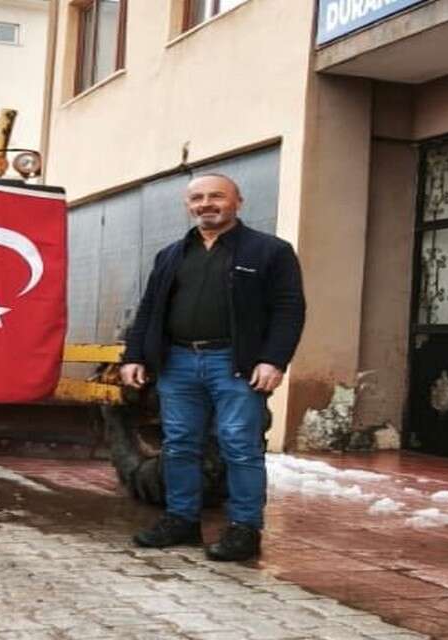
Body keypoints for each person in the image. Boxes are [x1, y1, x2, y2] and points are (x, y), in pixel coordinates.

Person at [120, 173, 305, 562]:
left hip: (236, 365)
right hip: (179, 363)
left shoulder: (270, 251)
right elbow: (150, 309)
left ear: (238, 201)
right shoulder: (171, 254)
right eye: (197, 198)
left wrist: (274, 359)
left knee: (239, 445)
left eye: (216, 196)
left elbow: (289, 310)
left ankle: (244, 529)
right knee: (180, 445)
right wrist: (134, 356)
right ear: (189, 206)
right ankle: (182, 520)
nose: (206, 203)